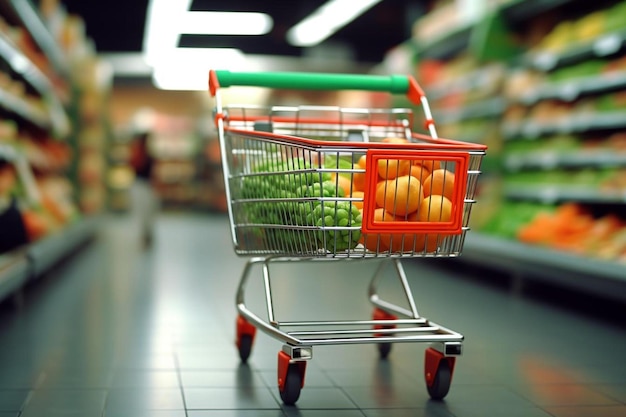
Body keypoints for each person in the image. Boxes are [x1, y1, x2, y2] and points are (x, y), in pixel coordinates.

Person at [0, 159, 28, 254]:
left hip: (19, 252)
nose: (8, 180)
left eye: (11, 176)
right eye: (4, 175)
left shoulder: (16, 200)